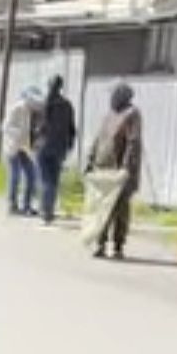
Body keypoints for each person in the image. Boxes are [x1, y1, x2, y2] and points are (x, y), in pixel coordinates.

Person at [86, 82, 143, 261]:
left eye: (114, 94)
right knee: (102, 207)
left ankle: (118, 246)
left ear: (123, 96)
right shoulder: (109, 114)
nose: (111, 98)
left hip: (119, 169)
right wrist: (90, 159)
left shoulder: (132, 114)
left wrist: (126, 167)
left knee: (120, 209)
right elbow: (99, 138)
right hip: (102, 166)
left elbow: (133, 142)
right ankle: (100, 244)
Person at [34, 74, 77, 224]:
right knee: (53, 179)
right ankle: (49, 210)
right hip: (60, 147)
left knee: (45, 179)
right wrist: (69, 145)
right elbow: (72, 128)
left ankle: (45, 211)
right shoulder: (67, 105)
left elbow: (41, 126)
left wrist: (36, 139)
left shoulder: (46, 103)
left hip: (44, 146)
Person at [1, 87, 44, 216]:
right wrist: (18, 133)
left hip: (25, 147)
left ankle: (26, 205)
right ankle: (12, 205)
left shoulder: (31, 112)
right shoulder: (17, 108)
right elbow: (5, 126)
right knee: (15, 176)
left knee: (31, 175)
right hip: (13, 147)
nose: (36, 106)